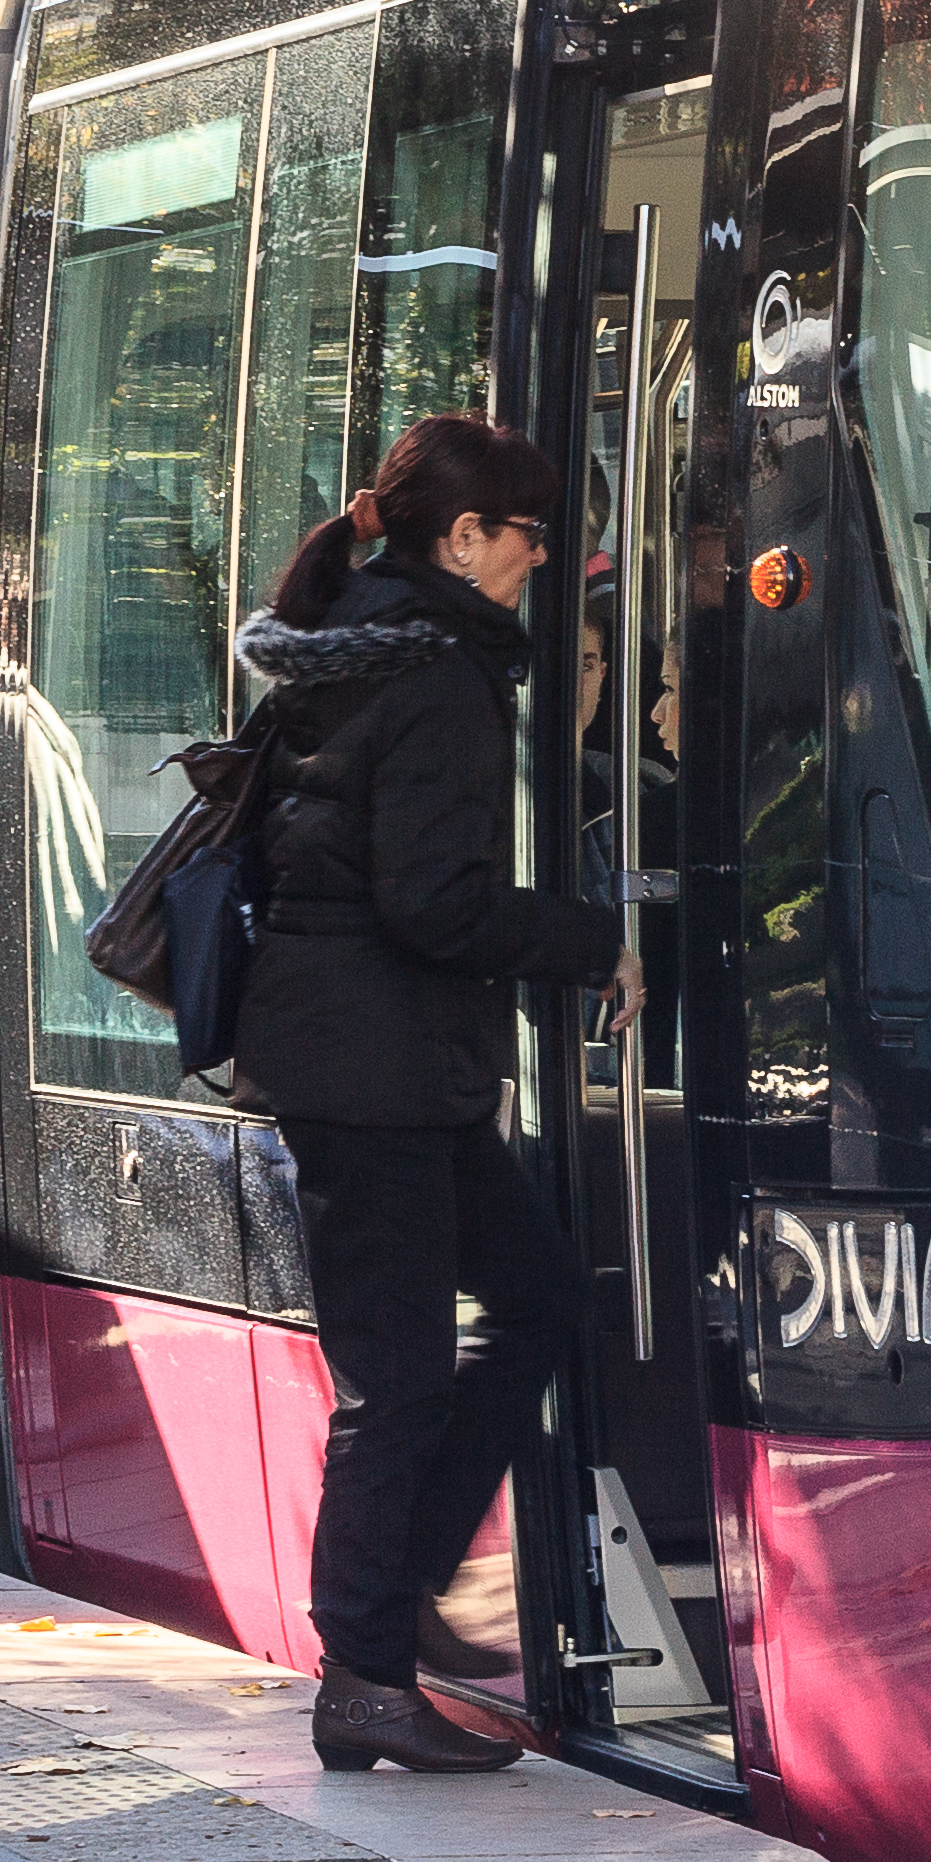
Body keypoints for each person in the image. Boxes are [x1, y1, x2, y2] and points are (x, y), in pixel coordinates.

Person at [233, 413, 622, 1778]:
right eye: (525, 537)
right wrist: (594, 942)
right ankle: (364, 1677)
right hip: (381, 1070)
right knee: (394, 1382)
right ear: (464, 539)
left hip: (381, 1068)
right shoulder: (443, 675)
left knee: (538, 1299)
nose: (536, 563)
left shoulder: (349, 650)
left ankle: (395, 1616)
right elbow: (432, 902)